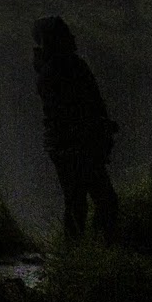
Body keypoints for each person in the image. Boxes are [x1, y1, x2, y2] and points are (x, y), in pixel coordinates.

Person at [32, 17, 121, 238]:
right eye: (66, 34)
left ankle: (82, 253)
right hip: (75, 145)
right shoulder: (62, 68)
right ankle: (98, 249)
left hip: (69, 145)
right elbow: (76, 108)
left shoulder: (54, 68)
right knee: (97, 201)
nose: (72, 38)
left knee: (79, 202)